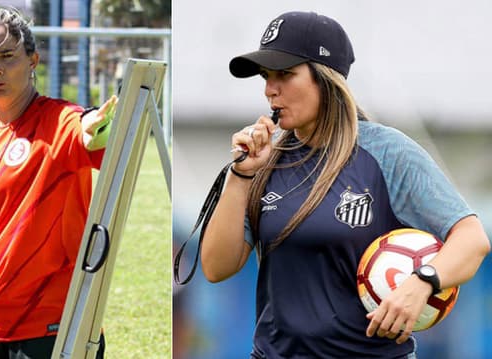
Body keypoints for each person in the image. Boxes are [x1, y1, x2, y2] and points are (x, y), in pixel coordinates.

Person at [200, 11, 491, 359]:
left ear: (325, 79)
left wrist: (422, 281)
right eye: (266, 76)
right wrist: (241, 174)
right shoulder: (265, 158)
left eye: (285, 75)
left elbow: (472, 240)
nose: (269, 90)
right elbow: (216, 267)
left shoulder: (388, 152)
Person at [0, 8, 117, 358]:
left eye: (8, 56)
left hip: (54, 327)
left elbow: (85, 129)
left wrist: (96, 125)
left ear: (32, 60)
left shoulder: (58, 120)